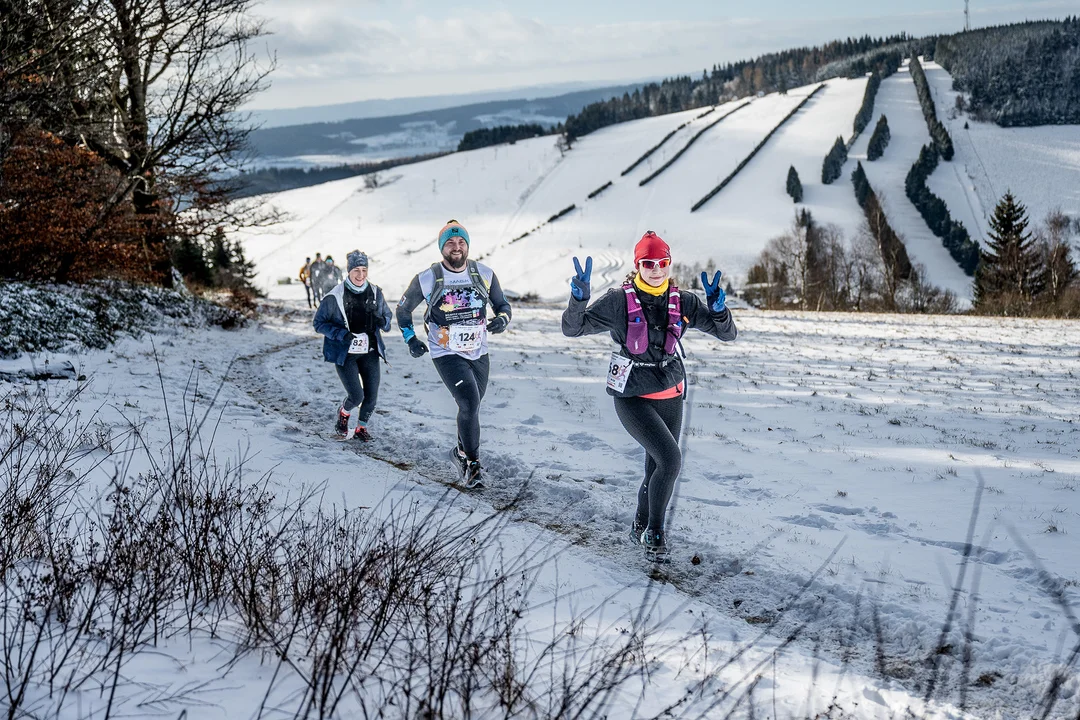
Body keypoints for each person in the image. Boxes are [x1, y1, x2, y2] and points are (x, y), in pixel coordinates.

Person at [561, 231, 737, 561]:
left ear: (669, 264)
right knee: (671, 461)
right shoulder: (617, 301)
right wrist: (578, 299)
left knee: (657, 466)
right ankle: (655, 532)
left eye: (662, 262)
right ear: (637, 265)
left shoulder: (684, 301)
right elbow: (573, 328)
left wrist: (718, 310)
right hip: (632, 396)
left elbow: (727, 335)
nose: (656, 268)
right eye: (648, 262)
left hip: (670, 392)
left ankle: (639, 525)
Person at [396, 220, 513, 488]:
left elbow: (503, 305)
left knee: (472, 406)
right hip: (445, 351)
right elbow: (403, 310)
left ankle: (459, 451)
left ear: (468, 246)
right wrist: (410, 338)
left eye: (461, 242)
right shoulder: (427, 278)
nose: (456, 247)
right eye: (450, 242)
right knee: (469, 403)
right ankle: (472, 464)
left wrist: (503, 319)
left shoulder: (484, 273)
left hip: (478, 350)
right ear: (442, 248)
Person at [313, 250, 393, 440]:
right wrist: (340, 334)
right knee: (356, 396)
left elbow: (388, 318)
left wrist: (382, 321)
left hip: (370, 351)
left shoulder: (375, 292)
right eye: (356, 270)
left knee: (371, 398)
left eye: (364, 270)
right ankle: (344, 413)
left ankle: (361, 429)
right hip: (346, 354)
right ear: (348, 271)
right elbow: (319, 323)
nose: (360, 275)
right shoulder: (335, 296)